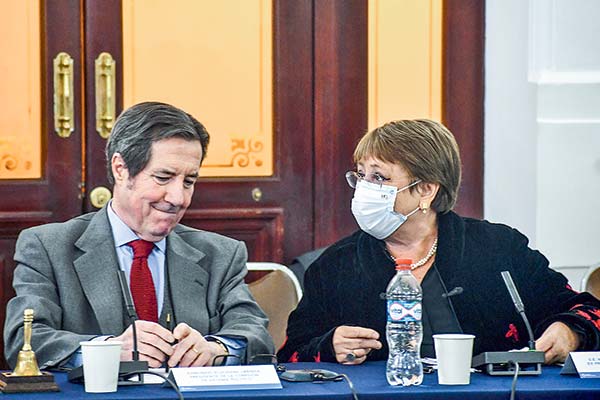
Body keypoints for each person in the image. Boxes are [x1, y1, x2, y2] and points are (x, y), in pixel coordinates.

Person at [278, 119, 600, 365]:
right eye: (360, 175)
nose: (363, 188)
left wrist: (570, 331)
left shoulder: (498, 248)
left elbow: (586, 310)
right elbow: (291, 355)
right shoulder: (335, 265)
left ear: (426, 190)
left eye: (379, 177)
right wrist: (329, 346)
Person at [4, 102, 274, 370]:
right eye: (163, 177)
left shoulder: (221, 254)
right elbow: (24, 341)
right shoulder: (48, 247)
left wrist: (217, 348)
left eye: (189, 181)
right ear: (121, 169)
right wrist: (108, 350)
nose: (178, 198)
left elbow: (256, 336)